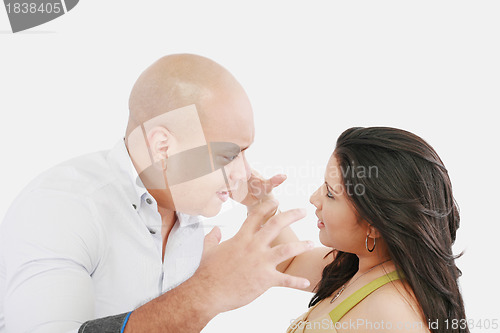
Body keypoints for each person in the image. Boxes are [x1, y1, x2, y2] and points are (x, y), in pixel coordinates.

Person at [0, 54, 331, 333]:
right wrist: (207, 290)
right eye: (229, 155)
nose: (244, 173)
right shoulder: (63, 209)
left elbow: (309, 271)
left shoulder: (184, 203)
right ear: (162, 147)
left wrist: (259, 208)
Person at [287, 127, 468, 333]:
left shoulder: (392, 312)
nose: (314, 199)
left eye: (330, 194)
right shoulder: (354, 266)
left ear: (374, 225)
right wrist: (257, 200)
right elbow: (287, 262)